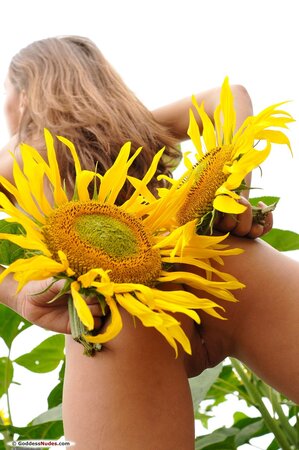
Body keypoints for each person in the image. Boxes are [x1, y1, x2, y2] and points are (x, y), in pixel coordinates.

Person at [0, 36, 297, 450]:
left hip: (115, 310)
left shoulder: (23, 153)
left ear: (27, 95)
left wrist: (19, 295)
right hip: (221, 261)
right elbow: (229, 97)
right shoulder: (140, 127)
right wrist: (228, 193)